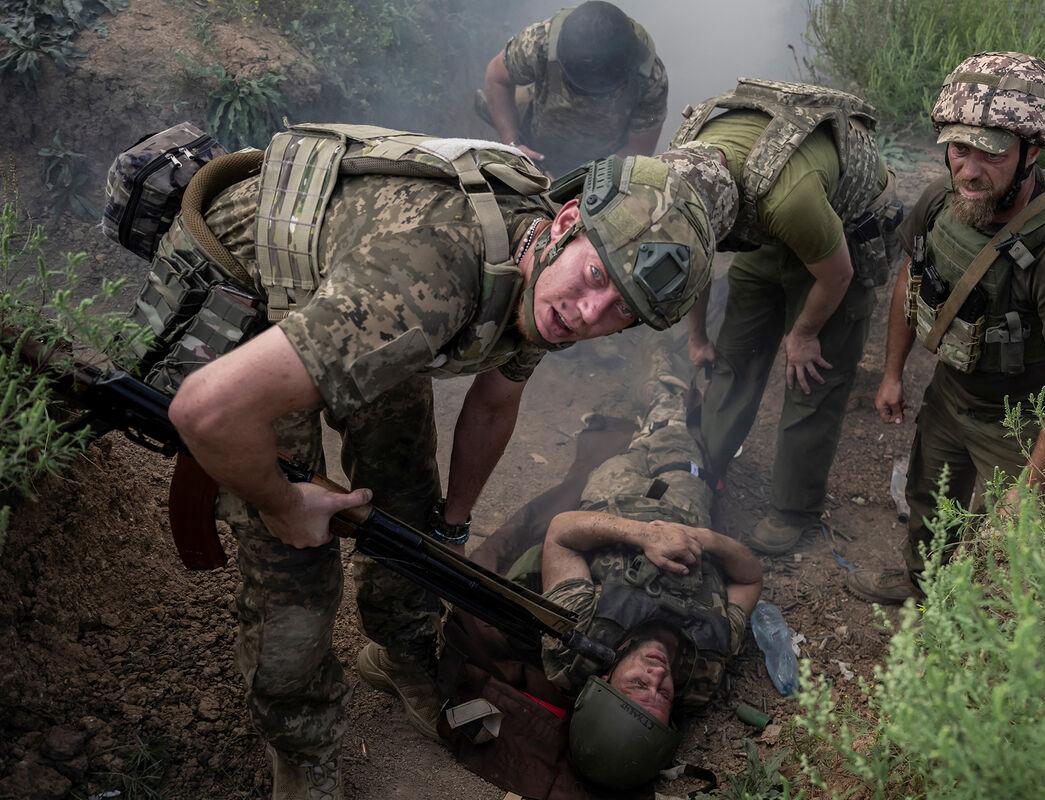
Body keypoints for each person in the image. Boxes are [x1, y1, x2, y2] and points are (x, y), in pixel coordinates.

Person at [154, 123, 717, 800]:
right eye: (597, 277)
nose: (589, 311)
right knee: (296, 569)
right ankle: (303, 745)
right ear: (567, 222)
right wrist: (283, 501)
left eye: (618, 311)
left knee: (409, 502)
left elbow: (493, 401)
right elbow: (206, 410)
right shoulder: (432, 282)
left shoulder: (551, 282)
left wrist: (453, 523)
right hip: (250, 295)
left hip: (351, 299)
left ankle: (400, 649)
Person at [845, 52, 1045, 604]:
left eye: (990, 154)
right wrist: (893, 372)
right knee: (930, 501)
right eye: (958, 148)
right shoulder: (939, 202)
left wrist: (1032, 484)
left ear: (1032, 151)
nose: (968, 170)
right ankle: (922, 587)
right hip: (951, 393)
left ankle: (979, 648)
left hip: (1019, 421)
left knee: (1008, 556)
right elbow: (910, 281)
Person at [434, 340, 763, 796]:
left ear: (605, 679)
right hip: (687, 501)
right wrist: (700, 539)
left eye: (636, 687)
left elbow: (562, 532)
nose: (656, 677)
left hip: (616, 494)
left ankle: (642, 354)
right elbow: (750, 577)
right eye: (663, 696)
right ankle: (664, 377)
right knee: (675, 426)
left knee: (632, 431)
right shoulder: (703, 668)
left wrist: (644, 534)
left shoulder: (577, 641)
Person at [668, 77, 901, 556]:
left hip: (842, 233)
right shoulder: (673, 180)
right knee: (735, 355)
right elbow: (693, 257)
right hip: (767, 225)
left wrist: (805, 333)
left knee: (811, 374)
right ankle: (705, 471)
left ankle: (793, 508)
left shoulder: (786, 199)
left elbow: (836, 275)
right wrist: (697, 336)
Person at [476, 1, 668, 177]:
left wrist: (586, 184)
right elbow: (497, 77)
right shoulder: (539, 42)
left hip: (604, 154)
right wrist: (513, 145)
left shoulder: (650, 78)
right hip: (540, 120)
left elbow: (636, 148)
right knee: (498, 106)